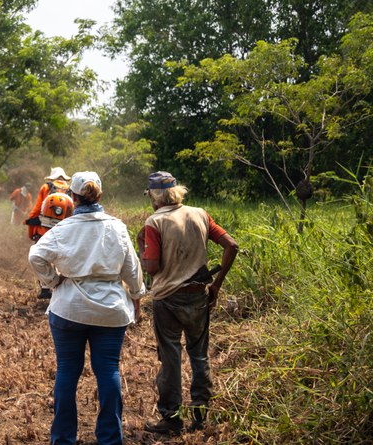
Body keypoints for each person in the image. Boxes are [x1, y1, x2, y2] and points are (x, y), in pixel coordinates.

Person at [28, 171, 146, 445]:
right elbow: (132, 268)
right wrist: (137, 298)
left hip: (69, 309)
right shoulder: (117, 227)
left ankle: (63, 438)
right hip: (111, 310)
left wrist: (53, 281)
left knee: (68, 370)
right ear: (99, 196)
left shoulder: (64, 228)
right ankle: (109, 438)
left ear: (72, 197)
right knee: (108, 370)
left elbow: (36, 255)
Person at [138, 171, 239, 435]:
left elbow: (151, 266)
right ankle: (200, 414)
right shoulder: (200, 214)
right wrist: (216, 285)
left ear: (154, 195)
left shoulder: (154, 221)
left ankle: (171, 420)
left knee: (170, 359)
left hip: (168, 300)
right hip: (198, 295)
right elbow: (231, 245)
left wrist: (142, 248)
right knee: (199, 355)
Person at [26, 167, 72, 298]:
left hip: (44, 230)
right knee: (61, 257)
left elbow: (36, 210)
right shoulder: (70, 190)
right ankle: (62, 288)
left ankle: (46, 288)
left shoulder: (45, 188)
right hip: (65, 230)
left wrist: (31, 231)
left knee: (43, 257)